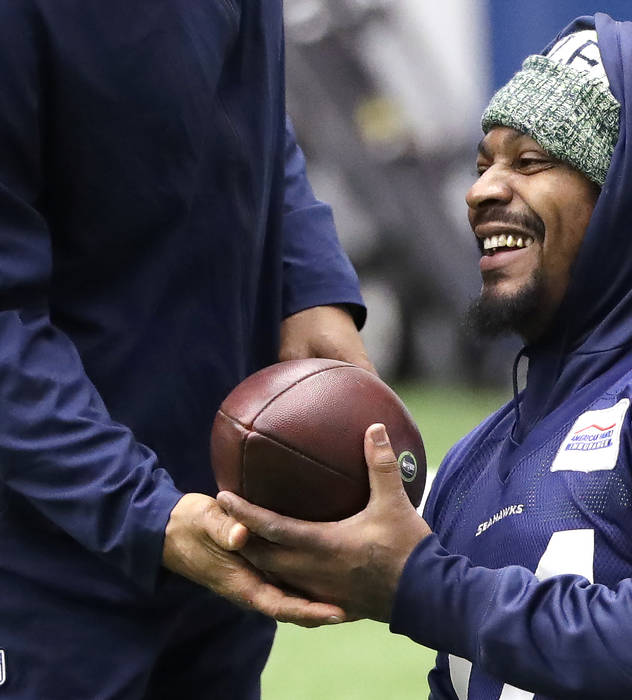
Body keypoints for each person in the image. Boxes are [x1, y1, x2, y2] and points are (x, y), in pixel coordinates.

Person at [219, 13, 632, 699]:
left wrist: (420, 582)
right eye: (483, 164)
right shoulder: (477, 459)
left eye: (530, 161)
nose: (480, 191)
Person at [0, 2, 362, 698]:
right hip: (42, 563)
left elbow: (247, 112)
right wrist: (146, 511)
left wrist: (307, 282)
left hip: (214, 538)